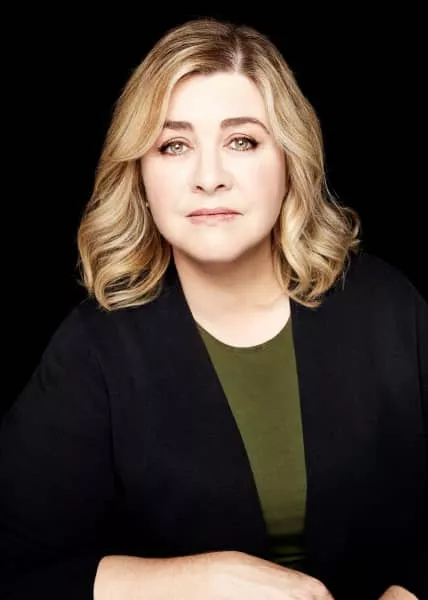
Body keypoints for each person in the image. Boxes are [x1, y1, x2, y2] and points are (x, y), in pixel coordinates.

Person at [0, 16, 426, 600]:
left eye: (241, 141)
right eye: (173, 145)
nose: (208, 178)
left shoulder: (389, 308)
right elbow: (14, 564)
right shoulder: (92, 350)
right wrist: (194, 580)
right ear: (140, 172)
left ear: (290, 159)